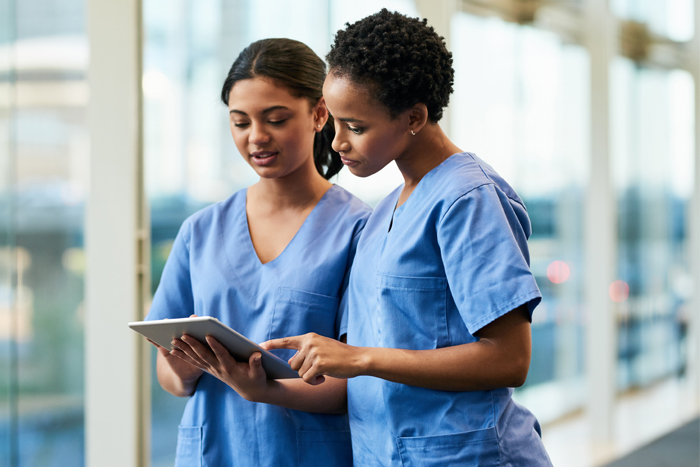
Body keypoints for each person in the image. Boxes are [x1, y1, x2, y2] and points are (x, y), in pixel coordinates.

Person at [263, 10, 553, 466]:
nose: (338, 142)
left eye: (356, 127)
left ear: (415, 116)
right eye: (334, 122)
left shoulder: (467, 199)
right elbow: (367, 368)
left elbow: (509, 359)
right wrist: (260, 382)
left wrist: (359, 358)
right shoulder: (383, 215)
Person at [145, 38, 371, 467]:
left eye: (276, 119)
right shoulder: (201, 231)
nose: (257, 137)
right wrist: (187, 365)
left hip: (306, 454)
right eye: (240, 122)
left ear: (319, 113)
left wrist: (265, 390)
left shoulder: (358, 230)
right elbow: (169, 378)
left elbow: (361, 378)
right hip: (212, 451)